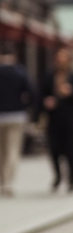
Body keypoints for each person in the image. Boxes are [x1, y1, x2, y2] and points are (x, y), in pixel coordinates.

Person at [41, 48, 73, 192]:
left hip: (71, 120)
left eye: (64, 59)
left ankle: (72, 178)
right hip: (54, 119)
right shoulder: (49, 76)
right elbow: (40, 94)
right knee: (54, 149)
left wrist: (71, 92)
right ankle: (58, 176)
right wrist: (46, 102)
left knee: (72, 151)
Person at [0, 42, 35, 196]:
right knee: (13, 150)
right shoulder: (20, 72)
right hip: (16, 116)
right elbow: (32, 93)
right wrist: (25, 105)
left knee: (1, 150)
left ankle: (2, 179)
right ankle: (8, 183)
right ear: (13, 57)